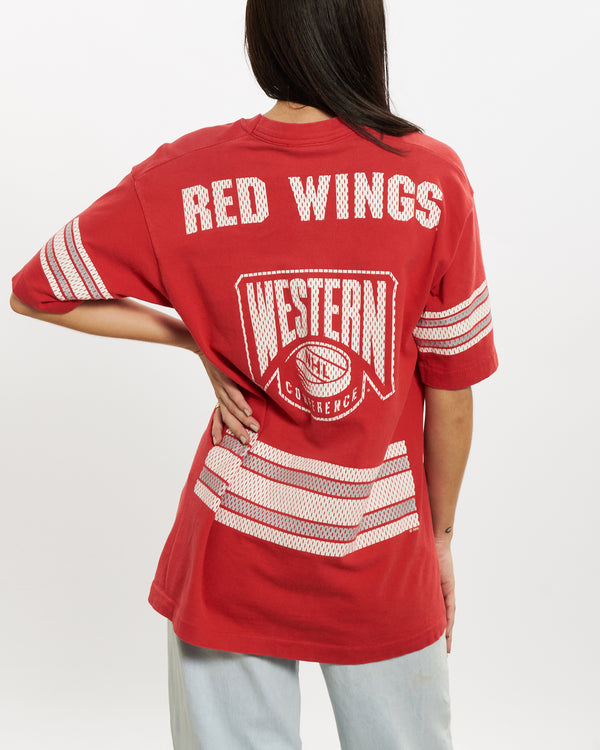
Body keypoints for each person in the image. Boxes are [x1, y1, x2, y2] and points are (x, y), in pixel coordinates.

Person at [10, 0, 498, 747]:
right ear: (363, 34)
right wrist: (442, 537)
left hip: (232, 546)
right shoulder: (431, 178)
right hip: (384, 554)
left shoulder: (184, 175)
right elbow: (452, 391)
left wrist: (193, 338)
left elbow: (36, 290)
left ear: (263, 37)